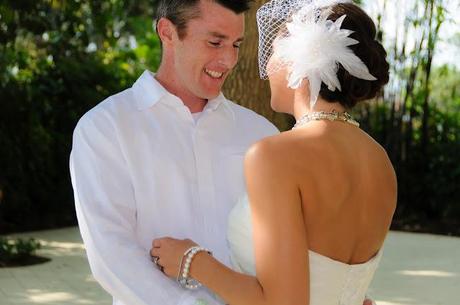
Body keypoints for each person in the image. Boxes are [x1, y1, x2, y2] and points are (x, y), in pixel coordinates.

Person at [150, 1, 397, 305]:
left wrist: (194, 262)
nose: (266, 66)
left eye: (275, 51)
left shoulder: (275, 155)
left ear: (302, 62)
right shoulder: (380, 161)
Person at [69, 1, 279, 305]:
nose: (228, 59)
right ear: (167, 32)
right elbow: (111, 253)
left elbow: (289, 245)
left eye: (236, 44)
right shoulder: (105, 128)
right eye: (215, 42)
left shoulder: (261, 133)